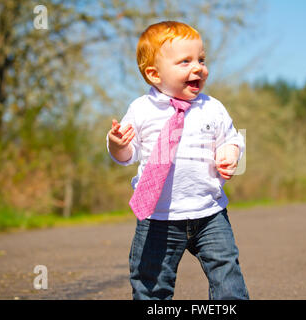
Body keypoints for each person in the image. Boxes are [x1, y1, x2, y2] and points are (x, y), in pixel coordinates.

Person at [106, 21, 249, 300]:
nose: (198, 67)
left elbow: (233, 138)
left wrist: (229, 153)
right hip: (158, 217)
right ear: (154, 74)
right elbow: (126, 155)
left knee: (227, 271)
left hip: (209, 212)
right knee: (151, 282)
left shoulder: (212, 107)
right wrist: (117, 144)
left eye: (201, 59)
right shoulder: (141, 110)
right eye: (185, 62)